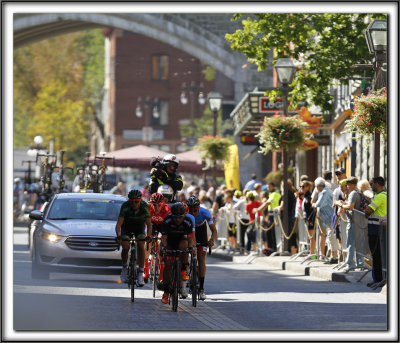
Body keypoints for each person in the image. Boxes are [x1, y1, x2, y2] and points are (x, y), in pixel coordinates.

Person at [159, 202, 195, 304]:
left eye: (180, 217)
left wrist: (191, 247)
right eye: (175, 217)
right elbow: (164, 238)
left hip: (182, 240)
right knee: (168, 264)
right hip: (170, 241)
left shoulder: (188, 221)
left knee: (184, 245)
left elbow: (190, 238)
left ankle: (183, 269)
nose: (178, 219)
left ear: (184, 215)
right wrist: (165, 248)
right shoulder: (167, 220)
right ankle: (166, 292)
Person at [115, 189, 152, 286]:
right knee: (126, 246)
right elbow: (119, 224)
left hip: (139, 227)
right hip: (126, 227)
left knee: (140, 244)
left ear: (140, 200)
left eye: (137, 201)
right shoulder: (125, 206)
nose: (134, 204)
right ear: (129, 201)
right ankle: (124, 268)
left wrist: (148, 236)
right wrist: (118, 236)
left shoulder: (144, 206)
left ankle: (140, 272)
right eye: (132, 201)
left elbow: (149, 224)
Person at [187, 196, 217, 300]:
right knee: (184, 251)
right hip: (189, 230)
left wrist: (211, 240)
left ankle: (202, 288)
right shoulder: (185, 213)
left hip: (201, 230)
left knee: (201, 257)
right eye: (190, 210)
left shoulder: (205, 212)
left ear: (199, 208)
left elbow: (214, 230)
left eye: (195, 210)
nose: (192, 212)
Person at [336, 176, 365, 271]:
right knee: (358, 244)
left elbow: (351, 206)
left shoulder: (353, 193)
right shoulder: (359, 191)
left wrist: (340, 204)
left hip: (353, 222)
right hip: (359, 222)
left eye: (348, 185)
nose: (347, 187)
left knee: (350, 243)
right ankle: (360, 263)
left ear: (352, 185)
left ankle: (350, 264)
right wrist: (343, 203)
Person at [364, 176, 387, 289]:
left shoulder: (381, 196)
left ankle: (378, 279)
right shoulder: (379, 196)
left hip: (377, 229)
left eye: (372, 184)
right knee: (376, 255)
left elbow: (368, 210)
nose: (371, 186)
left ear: (377, 184)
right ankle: (377, 278)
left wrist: (367, 210)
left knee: (377, 255)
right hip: (376, 228)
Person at [144, 192, 171, 283]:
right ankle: (146, 268)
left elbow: (169, 226)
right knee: (147, 242)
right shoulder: (148, 208)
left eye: (159, 204)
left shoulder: (166, 209)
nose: (156, 207)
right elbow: (144, 224)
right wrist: (144, 235)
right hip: (152, 225)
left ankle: (161, 273)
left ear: (162, 203)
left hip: (162, 226)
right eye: (154, 204)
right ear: (151, 203)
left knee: (160, 244)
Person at [312, 178, 337, 261]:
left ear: (318, 186)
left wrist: (313, 204)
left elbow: (319, 204)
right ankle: (326, 255)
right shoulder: (325, 191)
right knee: (327, 236)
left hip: (329, 217)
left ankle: (334, 257)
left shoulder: (324, 192)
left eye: (316, 187)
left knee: (331, 237)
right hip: (326, 217)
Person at [253, 182, 281, 252]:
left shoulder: (274, 194)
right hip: (271, 214)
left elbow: (267, 203)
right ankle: (271, 248)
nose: (268, 189)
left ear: (274, 187)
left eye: (270, 187)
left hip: (274, 215)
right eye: (268, 187)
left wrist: (258, 209)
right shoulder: (272, 194)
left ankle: (273, 248)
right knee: (270, 232)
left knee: (272, 232)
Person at [275, 179, 297, 254]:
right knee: (292, 234)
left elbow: (282, 206)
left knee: (288, 234)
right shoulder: (292, 193)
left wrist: (275, 208)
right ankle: (293, 251)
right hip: (291, 216)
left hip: (286, 218)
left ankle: (288, 250)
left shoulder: (285, 194)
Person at [301, 181, 316, 257]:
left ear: (308, 187)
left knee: (311, 237)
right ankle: (311, 252)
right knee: (309, 237)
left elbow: (313, 209)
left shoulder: (310, 196)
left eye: (303, 186)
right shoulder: (305, 196)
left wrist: (310, 219)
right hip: (307, 218)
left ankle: (312, 254)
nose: (302, 188)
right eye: (301, 186)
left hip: (310, 219)